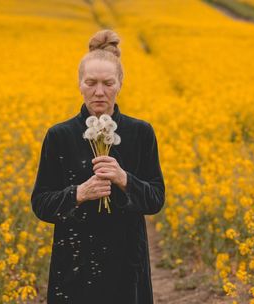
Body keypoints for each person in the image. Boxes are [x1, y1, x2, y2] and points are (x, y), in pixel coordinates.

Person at [31, 29, 165, 304]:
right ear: (79, 84)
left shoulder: (141, 132)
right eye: (91, 83)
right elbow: (41, 203)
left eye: (108, 83)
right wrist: (79, 193)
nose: (99, 92)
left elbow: (155, 200)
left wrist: (124, 178)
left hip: (127, 264)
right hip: (74, 264)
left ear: (120, 84)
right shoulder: (59, 135)